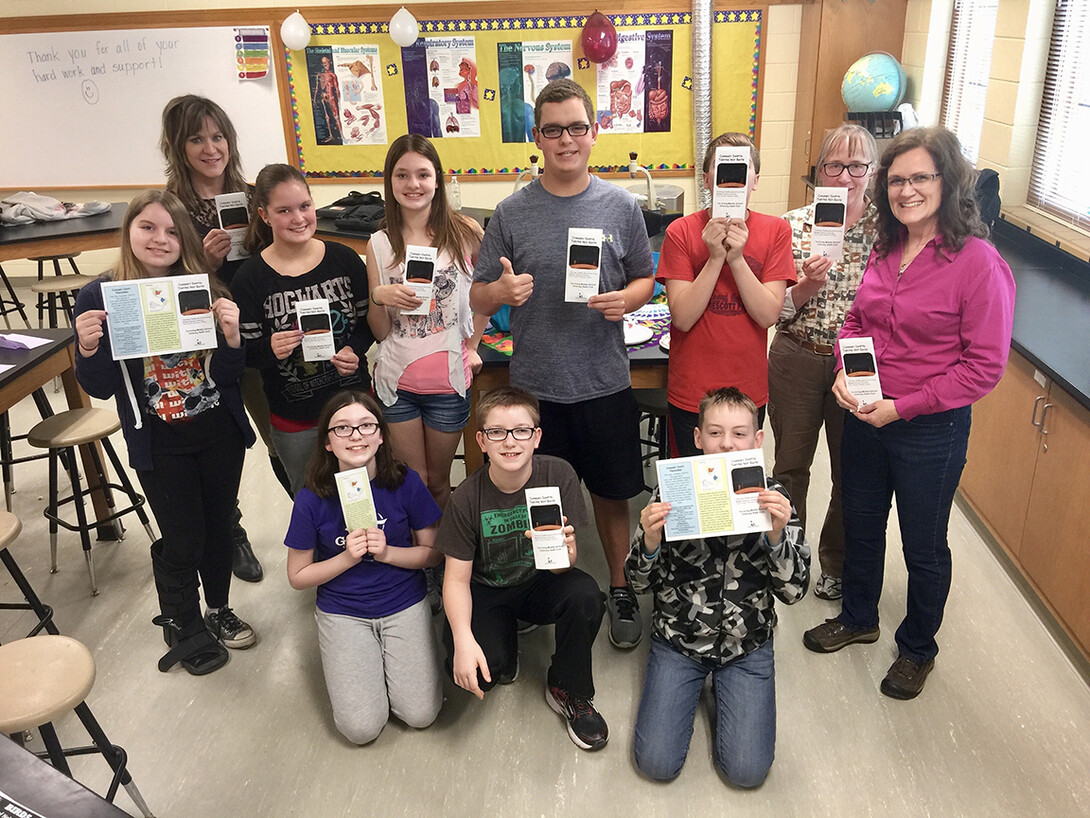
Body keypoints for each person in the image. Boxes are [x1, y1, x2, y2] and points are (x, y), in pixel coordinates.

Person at [802, 126, 1016, 700]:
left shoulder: (978, 263)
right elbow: (857, 323)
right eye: (896, 180)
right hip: (868, 417)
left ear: (948, 182)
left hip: (930, 430)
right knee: (862, 523)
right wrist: (848, 372)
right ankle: (858, 616)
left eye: (920, 177)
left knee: (924, 544)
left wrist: (903, 407)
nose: (906, 190)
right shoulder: (886, 248)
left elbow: (983, 367)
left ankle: (919, 646)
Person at [470, 78, 655, 650]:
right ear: (537, 137)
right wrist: (500, 291)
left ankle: (619, 585)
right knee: (539, 497)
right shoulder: (511, 212)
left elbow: (646, 276)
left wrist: (630, 298)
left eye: (577, 127)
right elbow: (476, 296)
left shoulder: (622, 207)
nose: (566, 139)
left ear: (593, 133)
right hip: (536, 388)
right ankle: (538, 585)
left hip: (602, 380)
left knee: (612, 490)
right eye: (553, 130)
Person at [74, 190, 256, 676]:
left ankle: (217, 609)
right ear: (128, 232)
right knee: (183, 537)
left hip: (217, 428)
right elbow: (101, 385)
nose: (160, 239)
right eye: (148, 228)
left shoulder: (204, 287)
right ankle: (183, 621)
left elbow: (227, 373)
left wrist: (233, 336)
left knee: (219, 527)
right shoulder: (101, 296)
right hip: (159, 439)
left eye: (173, 231)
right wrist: (89, 348)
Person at [628, 387, 808, 785]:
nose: (727, 443)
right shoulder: (672, 491)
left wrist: (777, 539)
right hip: (679, 640)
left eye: (739, 433)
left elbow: (794, 592)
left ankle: (726, 688)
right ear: (697, 438)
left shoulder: (775, 498)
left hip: (748, 644)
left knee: (747, 772)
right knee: (655, 763)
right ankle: (690, 683)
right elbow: (638, 583)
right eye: (715, 433)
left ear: (757, 440)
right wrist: (650, 541)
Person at [437, 386, 608, 751]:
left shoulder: (559, 474)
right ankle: (502, 641)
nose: (510, 442)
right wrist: (464, 640)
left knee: (586, 594)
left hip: (537, 582)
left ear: (537, 437)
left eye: (521, 431)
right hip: (486, 589)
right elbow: (454, 579)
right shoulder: (467, 497)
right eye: (497, 432)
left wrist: (567, 553)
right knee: (480, 674)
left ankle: (568, 687)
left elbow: (564, 569)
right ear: (481, 440)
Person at [160, 93, 280, 584]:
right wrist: (202, 268)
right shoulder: (170, 209)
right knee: (219, 441)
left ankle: (319, 516)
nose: (211, 148)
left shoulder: (253, 196)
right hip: (203, 348)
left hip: (266, 334)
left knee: (280, 433)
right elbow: (158, 289)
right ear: (176, 146)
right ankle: (230, 530)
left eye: (218, 136)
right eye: (196, 138)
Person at [285, 390, 444, 744]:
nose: (356, 435)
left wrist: (388, 553)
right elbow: (297, 576)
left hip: (404, 602)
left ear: (381, 435)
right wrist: (345, 558)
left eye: (366, 425)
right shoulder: (311, 498)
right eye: (342, 428)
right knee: (360, 729)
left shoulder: (406, 482)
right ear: (327, 442)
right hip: (344, 611)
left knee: (421, 714)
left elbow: (433, 554)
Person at [768, 124, 880, 602]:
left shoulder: (889, 231)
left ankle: (835, 561)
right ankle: (787, 553)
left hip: (857, 364)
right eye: (835, 166)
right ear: (819, 173)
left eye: (858, 167)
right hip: (797, 354)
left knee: (849, 470)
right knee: (791, 464)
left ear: (872, 173)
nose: (847, 177)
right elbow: (774, 310)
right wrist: (807, 285)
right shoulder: (792, 226)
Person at [232, 164, 373, 496]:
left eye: (304, 206)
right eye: (284, 210)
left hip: (353, 406)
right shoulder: (250, 280)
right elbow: (244, 354)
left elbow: (368, 324)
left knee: (364, 497)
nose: (298, 218)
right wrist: (270, 349)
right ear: (265, 216)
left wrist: (353, 348)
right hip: (296, 417)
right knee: (312, 503)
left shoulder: (346, 260)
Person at [366, 134, 488, 510]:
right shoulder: (380, 243)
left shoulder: (466, 233)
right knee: (413, 483)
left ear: (437, 179)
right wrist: (378, 297)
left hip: (448, 380)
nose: (413, 184)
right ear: (390, 181)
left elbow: (487, 294)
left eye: (422, 174)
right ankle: (420, 561)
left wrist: (473, 345)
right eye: (402, 175)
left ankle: (443, 561)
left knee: (439, 482)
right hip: (396, 382)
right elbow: (382, 331)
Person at [657, 132, 796, 458]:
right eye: (722, 171)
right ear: (707, 179)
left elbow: (768, 314)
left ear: (756, 181)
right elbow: (683, 316)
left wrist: (736, 258)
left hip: (747, 392)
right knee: (692, 489)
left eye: (740, 171)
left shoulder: (776, 231)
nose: (731, 183)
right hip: (692, 389)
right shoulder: (681, 232)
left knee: (738, 489)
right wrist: (716, 256)